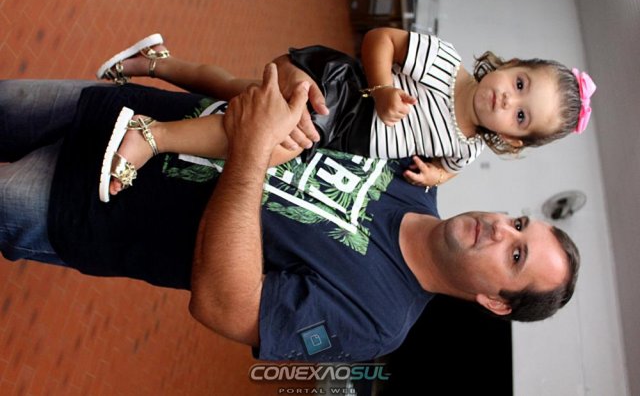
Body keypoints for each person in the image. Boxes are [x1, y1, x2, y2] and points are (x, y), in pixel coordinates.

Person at [0, 64, 579, 361]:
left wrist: (251, 153)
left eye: (515, 255)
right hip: (123, 111)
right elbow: (308, 90)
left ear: (496, 302)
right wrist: (299, 80)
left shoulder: (376, 323)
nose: (500, 229)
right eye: (519, 224)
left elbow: (223, 307)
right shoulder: (411, 165)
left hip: (85, 207)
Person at [95, 28, 596, 200]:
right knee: (265, 141)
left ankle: (156, 60)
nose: (507, 101)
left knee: (233, 88)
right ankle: (151, 136)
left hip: (339, 135)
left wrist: (437, 176)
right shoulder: (446, 64)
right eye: (520, 85)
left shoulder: (464, 146)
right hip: (339, 90)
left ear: (513, 140)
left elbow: (451, 168)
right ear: (510, 65)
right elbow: (380, 40)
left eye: (522, 117)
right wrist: (383, 88)